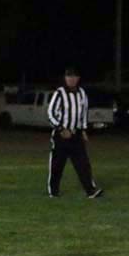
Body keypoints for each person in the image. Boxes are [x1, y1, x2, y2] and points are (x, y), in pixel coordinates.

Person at [46, 67, 103, 198]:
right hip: (61, 135)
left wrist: (83, 130)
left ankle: (91, 191)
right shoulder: (59, 93)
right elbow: (51, 113)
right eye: (68, 77)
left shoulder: (82, 93)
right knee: (57, 164)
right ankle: (53, 191)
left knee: (83, 163)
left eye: (73, 77)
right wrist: (61, 129)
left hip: (76, 135)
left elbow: (84, 113)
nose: (71, 79)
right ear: (65, 78)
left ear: (78, 78)